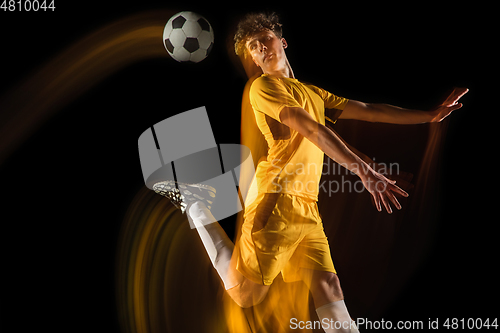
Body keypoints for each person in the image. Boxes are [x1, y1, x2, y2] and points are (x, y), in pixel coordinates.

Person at [163, 12, 468, 333]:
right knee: (244, 295)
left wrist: (430, 116)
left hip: (307, 210)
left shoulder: (313, 93)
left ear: (282, 41)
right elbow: (310, 129)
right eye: (253, 47)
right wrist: (363, 170)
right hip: (275, 204)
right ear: (253, 58)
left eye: (265, 39)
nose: (261, 48)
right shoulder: (263, 87)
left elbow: (370, 110)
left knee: (329, 288)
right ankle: (196, 205)